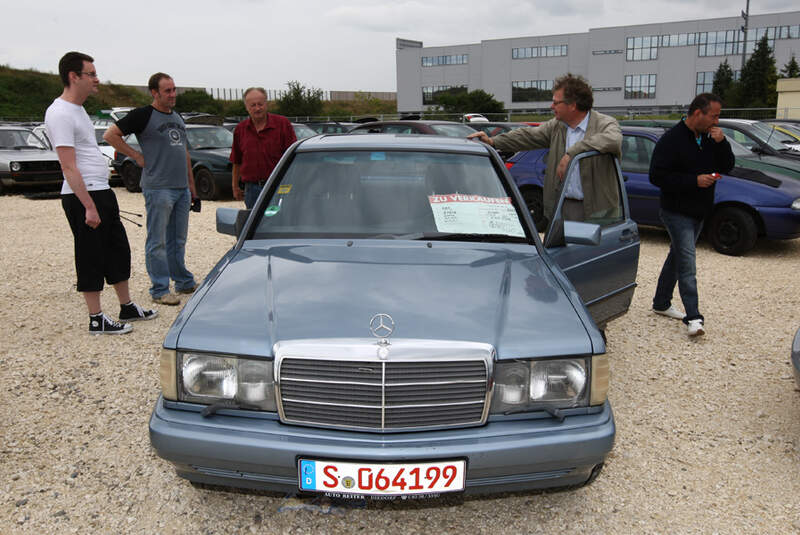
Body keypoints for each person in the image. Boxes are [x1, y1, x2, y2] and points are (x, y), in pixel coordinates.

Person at [45, 51, 157, 334]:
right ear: (74, 76)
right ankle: (96, 318)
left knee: (117, 249)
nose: (96, 79)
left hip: (101, 190)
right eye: (91, 74)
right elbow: (68, 166)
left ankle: (126, 306)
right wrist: (88, 207)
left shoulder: (78, 109)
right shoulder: (58, 112)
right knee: (90, 254)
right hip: (83, 196)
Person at [468, 73, 622, 224]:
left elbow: (613, 140)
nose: (551, 106)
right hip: (562, 207)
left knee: (595, 250)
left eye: (556, 103)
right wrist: (493, 141)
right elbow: (528, 135)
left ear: (573, 105)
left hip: (599, 212)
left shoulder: (605, 124)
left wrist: (572, 153)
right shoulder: (557, 126)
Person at [104, 72, 198, 305]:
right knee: (158, 241)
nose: (173, 94)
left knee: (178, 239)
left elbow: (183, 152)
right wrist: (136, 155)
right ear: (154, 92)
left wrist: (192, 185)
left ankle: (183, 281)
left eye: (174, 89)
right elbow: (110, 135)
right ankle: (159, 289)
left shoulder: (177, 117)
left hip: (180, 188)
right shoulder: (143, 115)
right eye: (167, 90)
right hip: (158, 188)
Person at [649, 93, 734, 337]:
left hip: (700, 211)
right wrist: (693, 181)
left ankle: (661, 303)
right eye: (714, 116)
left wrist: (723, 143)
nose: (717, 121)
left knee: (677, 256)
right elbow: (657, 176)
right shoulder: (671, 140)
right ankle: (694, 317)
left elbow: (727, 165)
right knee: (687, 262)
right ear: (698, 113)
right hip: (676, 211)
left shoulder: (710, 138)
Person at [230, 87, 296, 209]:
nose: (257, 108)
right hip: (252, 190)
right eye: (253, 105)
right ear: (246, 107)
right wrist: (235, 187)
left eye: (260, 104)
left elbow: (294, 157)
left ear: (266, 104)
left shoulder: (283, 125)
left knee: (280, 223)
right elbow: (236, 160)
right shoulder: (240, 129)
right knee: (254, 226)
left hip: (279, 186)